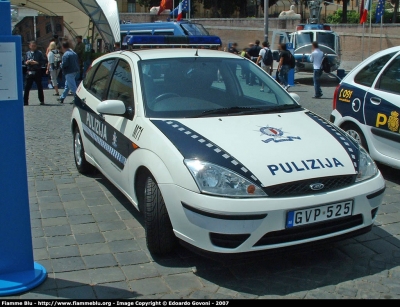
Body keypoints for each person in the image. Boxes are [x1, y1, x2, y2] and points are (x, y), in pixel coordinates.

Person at [24, 41, 46, 106]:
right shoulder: (27, 53)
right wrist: (27, 62)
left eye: (34, 46)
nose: (33, 47)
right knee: (27, 87)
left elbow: (42, 61)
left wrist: (36, 62)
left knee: (39, 86)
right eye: (32, 46)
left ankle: (41, 100)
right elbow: (24, 62)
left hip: (37, 71)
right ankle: (25, 101)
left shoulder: (39, 53)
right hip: (29, 71)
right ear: (29, 46)